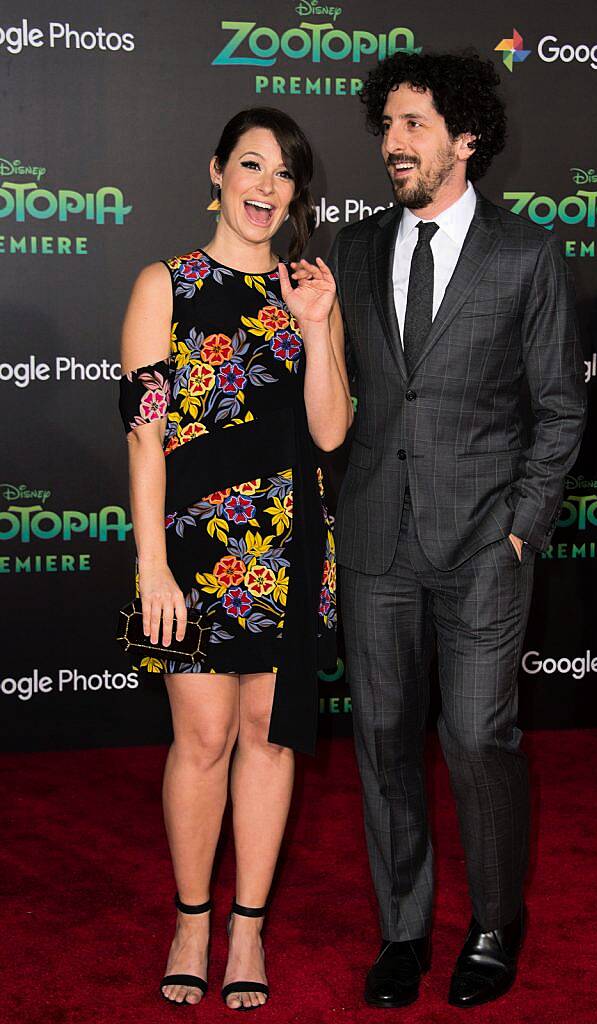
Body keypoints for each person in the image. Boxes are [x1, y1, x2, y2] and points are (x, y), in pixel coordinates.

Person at [317, 50, 587, 1009]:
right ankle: (403, 929)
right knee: (385, 740)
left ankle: (491, 920)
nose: (393, 144)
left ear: (464, 138)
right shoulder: (350, 251)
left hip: (483, 545)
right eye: (385, 125)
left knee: (477, 739)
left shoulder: (524, 254)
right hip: (375, 541)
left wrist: (521, 526)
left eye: (414, 124)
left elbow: (558, 409)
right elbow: (338, 396)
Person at [118, 107, 352, 1011]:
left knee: (269, 736)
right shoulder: (163, 285)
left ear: (296, 193)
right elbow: (144, 440)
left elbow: (331, 429)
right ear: (216, 172)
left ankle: (247, 928)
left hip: (291, 547)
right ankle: (190, 919)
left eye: (283, 174)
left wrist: (320, 325)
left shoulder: (308, 291)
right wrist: (150, 567)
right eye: (250, 167)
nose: (265, 188)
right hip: (190, 549)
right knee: (204, 738)